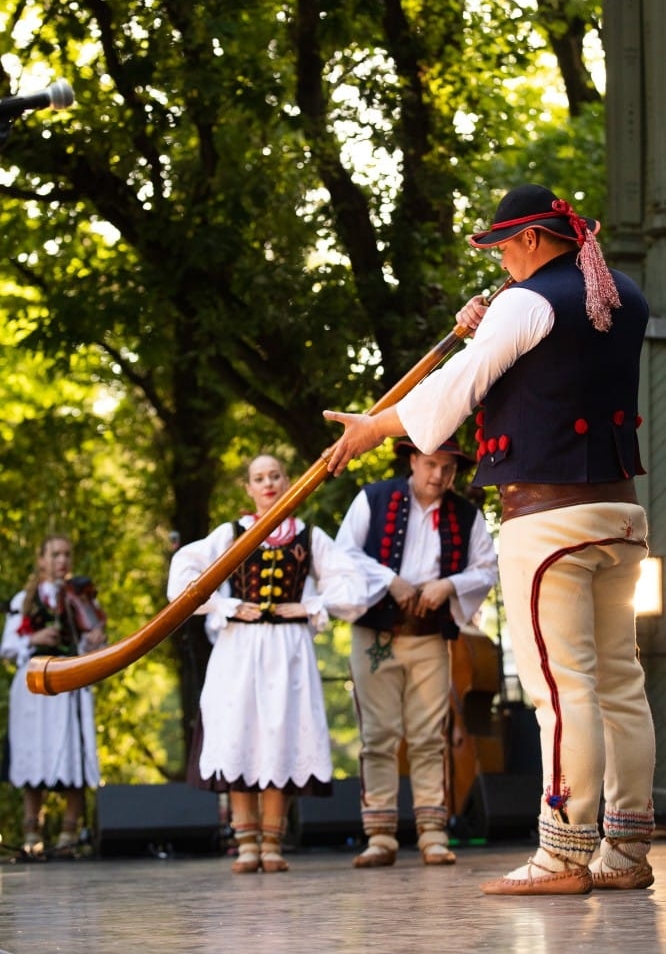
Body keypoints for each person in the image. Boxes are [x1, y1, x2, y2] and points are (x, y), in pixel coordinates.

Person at [322, 183, 656, 895]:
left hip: (548, 522)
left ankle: (562, 854)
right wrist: (490, 324)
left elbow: (453, 397)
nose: (502, 261)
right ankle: (625, 851)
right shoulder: (624, 294)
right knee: (622, 685)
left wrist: (374, 427)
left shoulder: (525, 301)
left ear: (533, 240)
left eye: (504, 248)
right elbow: (542, 362)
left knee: (563, 691)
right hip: (622, 514)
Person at [167, 453, 366, 874]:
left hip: (288, 651)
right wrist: (226, 604)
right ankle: (245, 844)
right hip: (239, 649)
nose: (268, 483)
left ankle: (272, 842)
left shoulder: (309, 536)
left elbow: (352, 585)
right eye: (259, 477)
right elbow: (183, 572)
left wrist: (313, 605)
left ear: (287, 480)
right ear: (249, 488)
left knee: (281, 735)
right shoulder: (231, 534)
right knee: (240, 734)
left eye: (275, 475)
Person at [335, 435, 497, 868]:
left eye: (448, 468)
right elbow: (343, 554)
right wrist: (390, 580)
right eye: (430, 464)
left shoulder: (467, 514)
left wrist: (450, 585)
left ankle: (433, 833)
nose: (439, 475)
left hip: (429, 636)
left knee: (430, 737)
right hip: (376, 635)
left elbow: (486, 568)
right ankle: (380, 836)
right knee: (378, 736)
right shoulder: (374, 497)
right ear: (412, 459)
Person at [1, 534, 107, 855]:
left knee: (73, 754)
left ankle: (68, 836)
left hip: (70, 686)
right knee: (33, 754)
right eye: (55, 554)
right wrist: (35, 638)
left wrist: (94, 639)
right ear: (42, 560)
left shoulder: (81, 599)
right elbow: (7, 647)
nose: (62, 561)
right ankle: (32, 834)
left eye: (66, 555)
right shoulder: (25, 600)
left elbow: (95, 646)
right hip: (34, 687)